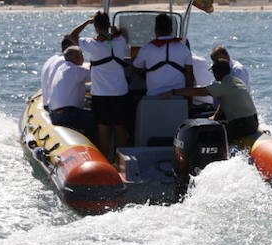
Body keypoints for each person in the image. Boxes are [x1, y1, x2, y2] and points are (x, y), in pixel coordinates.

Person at [69, 11, 131, 155]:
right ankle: (123, 160)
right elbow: (124, 33)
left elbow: (72, 36)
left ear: (95, 27)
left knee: (104, 127)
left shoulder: (92, 44)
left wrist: (86, 22)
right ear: (109, 25)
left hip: (101, 94)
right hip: (120, 92)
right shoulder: (120, 41)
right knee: (120, 127)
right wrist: (114, 30)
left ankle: (106, 159)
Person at [173, 59, 259, 142]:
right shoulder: (237, 81)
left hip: (242, 127)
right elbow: (225, 103)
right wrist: (215, 117)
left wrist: (174, 92)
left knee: (205, 134)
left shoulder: (222, 85)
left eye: (213, 72)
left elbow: (198, 91)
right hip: (254, 123)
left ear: (217, 73)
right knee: (217, 122)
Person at [132, 13, 193, 97]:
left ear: (156, 30)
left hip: (153, 97)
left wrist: (145, 75)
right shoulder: (183, 48)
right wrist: (189, 100)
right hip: (178, 98)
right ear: (171, 30)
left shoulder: (147, 49)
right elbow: (189, 76)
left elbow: (135, 68)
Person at [43, 45, 95, 138]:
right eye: (82, 55)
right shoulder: (76, 70)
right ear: (77, 58)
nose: (84, 58)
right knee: (100, 120)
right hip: (68, 115)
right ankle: (99, 148)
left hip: (55, 115)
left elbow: (79, 86)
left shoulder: (62, 69)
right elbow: (98, 77)